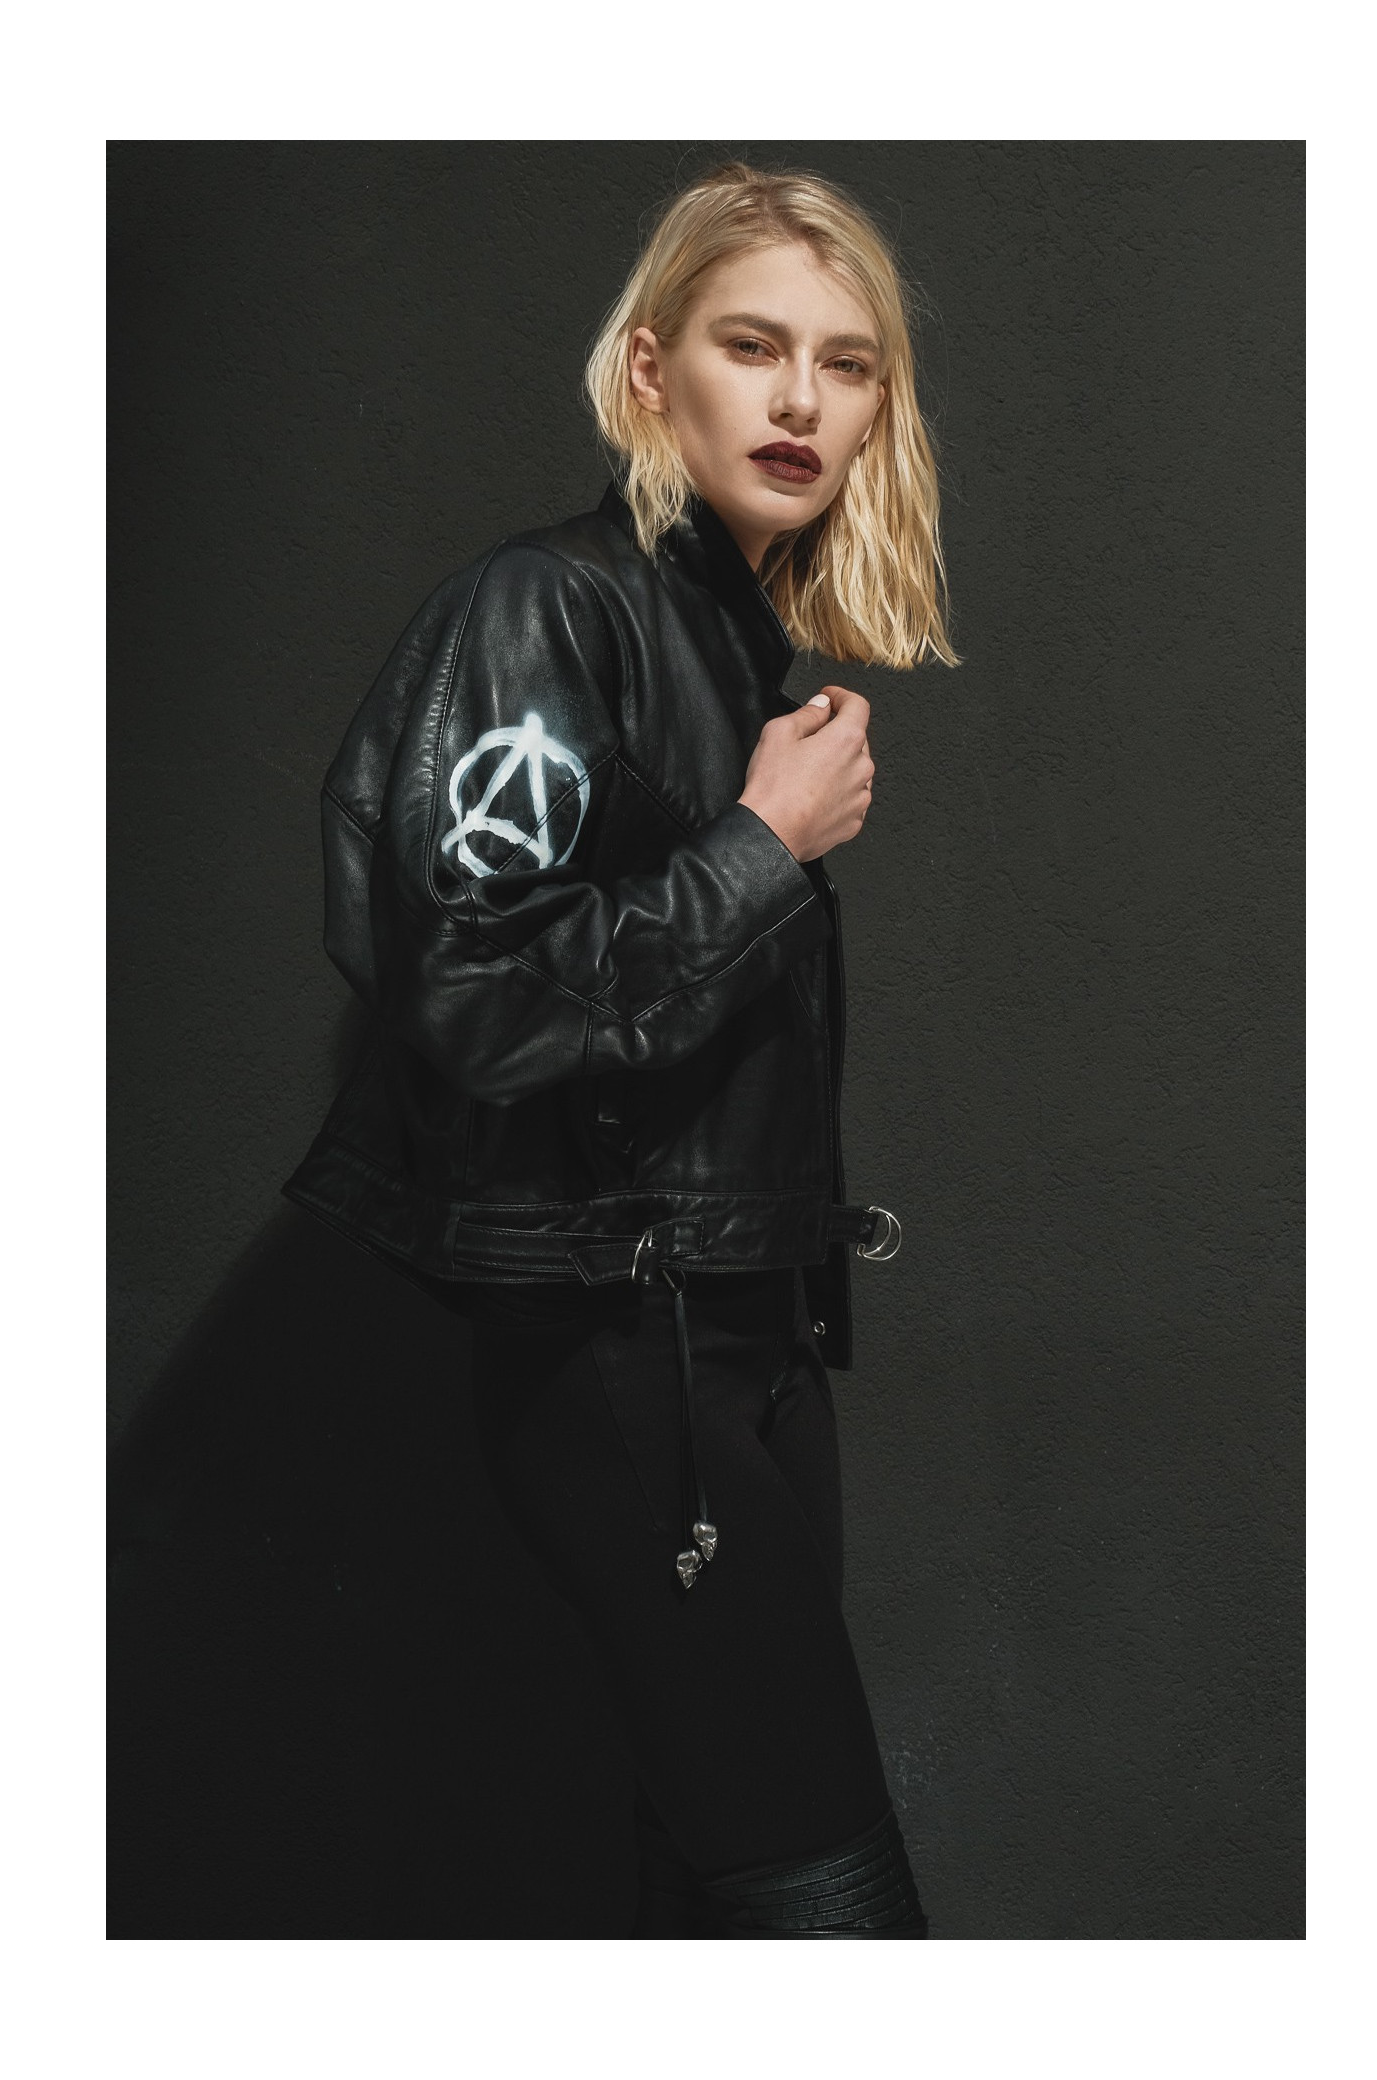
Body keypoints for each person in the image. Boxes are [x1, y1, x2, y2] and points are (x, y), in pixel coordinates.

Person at [283, 160, 957, 1936]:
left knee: (710, 1883)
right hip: (620, 1347)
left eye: (847, 363)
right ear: (652, 370)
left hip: (736, 1340)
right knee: (823, 1906)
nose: (802, 400)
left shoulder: (739, 646)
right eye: (752, 346)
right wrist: (761, 847)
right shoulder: (545, 609)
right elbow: (470, 990)